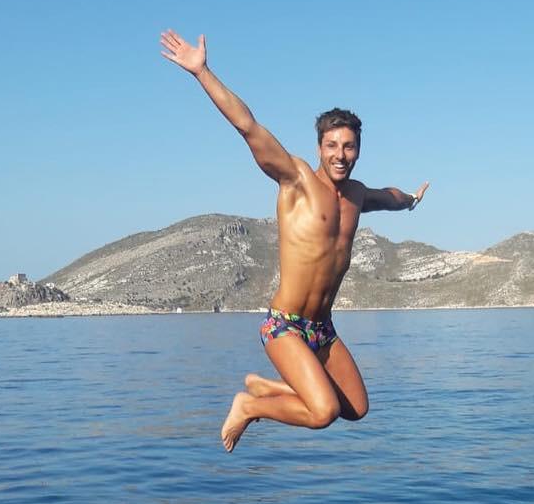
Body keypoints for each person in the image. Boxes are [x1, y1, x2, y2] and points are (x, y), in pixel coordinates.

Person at [160, 30, 429, 452]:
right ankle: (249, 406)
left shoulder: (356, 195)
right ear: (319, 147)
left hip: (322, 329)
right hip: (284, 324)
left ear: (359, 149)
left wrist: (410, 199)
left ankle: (268, 388)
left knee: (355, 408)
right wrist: (202, 72)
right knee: (322, 413)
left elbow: (387, 197)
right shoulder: (296, 180)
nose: (340, 155)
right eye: (332, 146)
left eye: (349, 147)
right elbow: (248, 126)